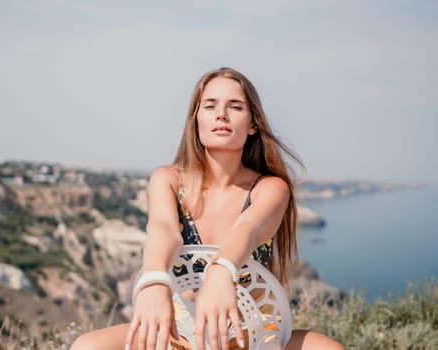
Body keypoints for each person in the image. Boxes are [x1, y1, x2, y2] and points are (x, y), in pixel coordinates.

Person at [70, 67, 344, 350]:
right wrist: (153, 280)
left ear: (252, 125)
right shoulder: (168, 180)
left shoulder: (270, 187)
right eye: (210, 105)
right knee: (87, 346)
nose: (221, 114)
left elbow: (248, 228)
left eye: (235, 106)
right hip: (182, 335)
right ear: (196, 120)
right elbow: (163, 229)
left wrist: (221, 271)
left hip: (256, 336)